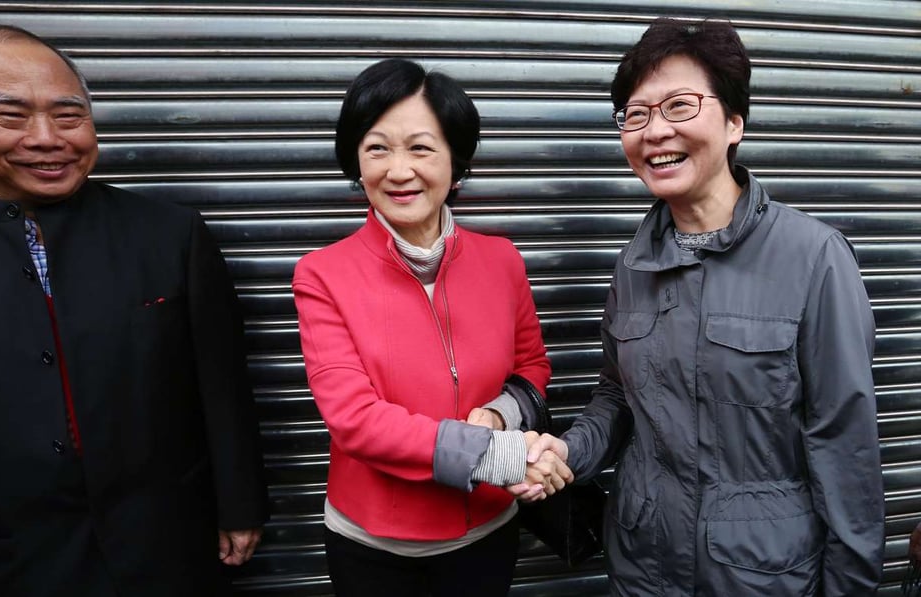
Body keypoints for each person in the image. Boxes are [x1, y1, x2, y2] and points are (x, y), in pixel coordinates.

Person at [0, 24, 269, 597]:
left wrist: (240, 504)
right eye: (12, 116)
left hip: (171, 545)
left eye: (69, 116)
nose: (47, 139)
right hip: (23, 559)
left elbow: (221, 388)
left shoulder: (169, 234)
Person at [521, 17, 885, 595]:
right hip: (644, 567)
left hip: (761, 575)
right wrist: (568, 450)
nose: (654, 131)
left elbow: (846, 449)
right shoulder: (633, 262)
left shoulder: (814, 257)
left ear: (735, 122)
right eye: (636, 115)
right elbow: (618, 397)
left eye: (680, 106)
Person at [291, 58, 570, 596]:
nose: (398, 170)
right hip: (375, 546)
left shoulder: (502, 261)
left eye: (420, 147)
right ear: (355, 158)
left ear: (455, 161)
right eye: (377, 148)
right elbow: (355, 419)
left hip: (487, 532)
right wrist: (504, 454)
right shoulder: (322, 274)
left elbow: (532, 367)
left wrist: (495, 416)